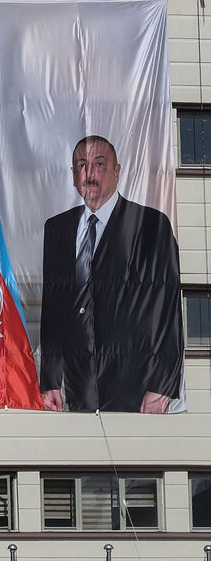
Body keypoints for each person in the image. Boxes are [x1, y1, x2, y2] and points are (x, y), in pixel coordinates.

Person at [40, 135, 183, 413]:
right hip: (78, 385)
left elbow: (168, 311)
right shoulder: (57, 229)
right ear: (73, 176)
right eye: (81, 165)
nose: (89, 174)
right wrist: (50, 380)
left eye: (99, 164)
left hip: (137, 385)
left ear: (117, 171)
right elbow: (53, 311)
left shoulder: (151, 225)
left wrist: (161, 385)